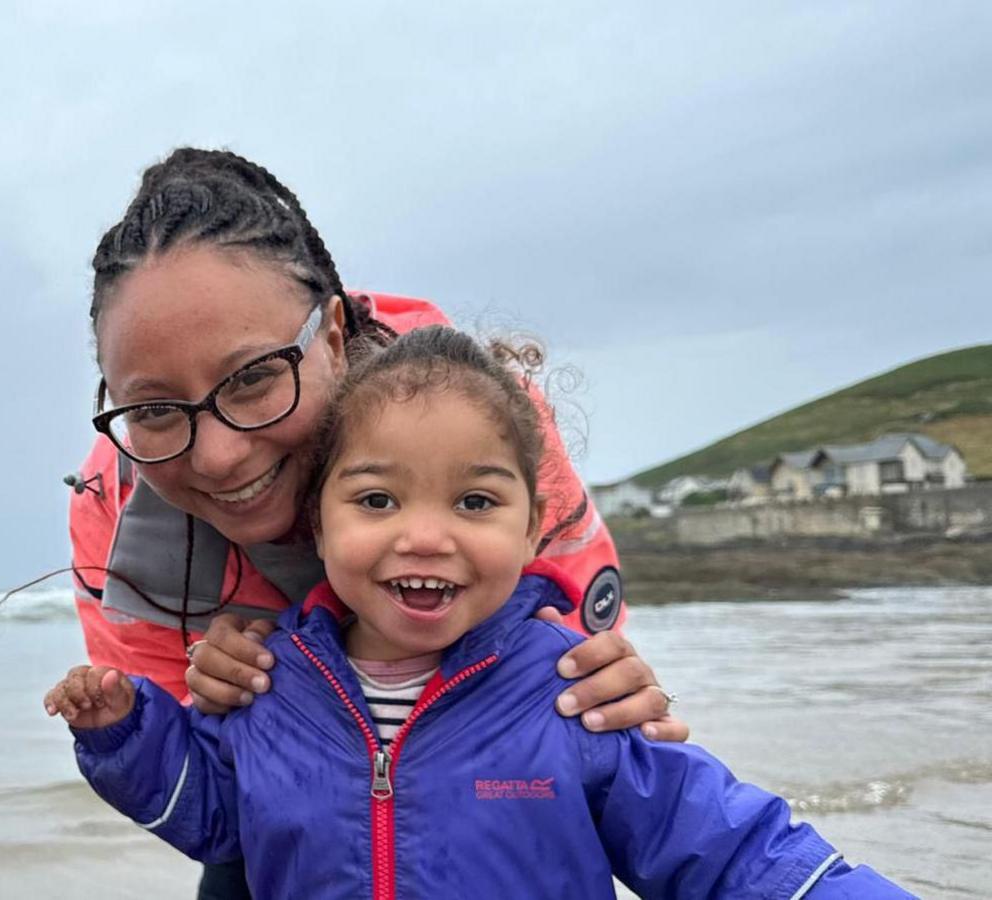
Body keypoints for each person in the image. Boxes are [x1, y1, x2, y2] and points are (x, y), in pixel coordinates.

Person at [48, 326, 906, 898]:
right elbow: (209, 814)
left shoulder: (573, 692)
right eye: (378, 500)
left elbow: (730, 850)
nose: (425, 537)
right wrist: (127, 732)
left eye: (475, 503)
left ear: (535, 527)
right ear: (318, 521)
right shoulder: (271, 687)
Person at [66, 148, 684, 896]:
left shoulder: (474, 417)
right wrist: (211, 696)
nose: (222, 456)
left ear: (331, 336)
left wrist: (606, 677)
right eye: (157, 408)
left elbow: (579, 653)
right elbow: (208, 794)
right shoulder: (113, 501)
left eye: (256, 376)